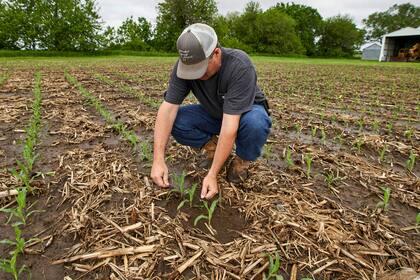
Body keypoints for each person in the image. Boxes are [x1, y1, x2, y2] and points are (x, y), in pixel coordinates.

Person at [150, 23, 271, 200]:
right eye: (190, 70)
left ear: (216, 53)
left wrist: (213, 174)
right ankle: (212, 149)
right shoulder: (183, 67)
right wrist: (158, 159)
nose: (196, 76)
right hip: (215, 112)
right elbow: (167, 110)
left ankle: (241, 161)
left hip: (245, 114)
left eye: (200, 69)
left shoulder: (239, 66)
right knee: (177, 120)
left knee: (256, 124)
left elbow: (230, 125)